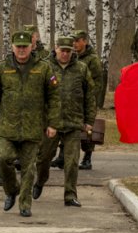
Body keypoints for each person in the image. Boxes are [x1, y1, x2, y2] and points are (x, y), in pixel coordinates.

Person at [0, 31, 61, 217]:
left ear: (31, 47)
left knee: (29, 168)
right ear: (12, 47)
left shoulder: (43, 68)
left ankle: (25, 204)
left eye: (25, 47)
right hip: (7, 127)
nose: (21, 50)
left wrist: (53, 123)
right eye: (18, 47)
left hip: (33, 127)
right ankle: (11, 190)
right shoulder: (2, 68)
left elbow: (54, 97)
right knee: (3, 159)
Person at [33, 36, 96, 207]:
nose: (65, 54)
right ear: (56, 49)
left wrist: (89, 120)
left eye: (69, 51)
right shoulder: (45, 67)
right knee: (43, 158)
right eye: (63, 51)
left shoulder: (81, 69)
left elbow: (90, 96)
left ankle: (70, 195)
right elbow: (36, 94)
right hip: (50, 124)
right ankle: (40, 181)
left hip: (73, 123)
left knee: (72, 162)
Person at [51, 30, 102, 170]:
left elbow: (97, 81)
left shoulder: (92, 60)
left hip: (85, 97)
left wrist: (92, 99)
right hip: (69, 99)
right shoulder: (73, 57)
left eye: (78, 40)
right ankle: (62, 157)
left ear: (84, 41)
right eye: (73, 41)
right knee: (66, 129)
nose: (75, 43)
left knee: (87, 132)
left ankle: (87, 158)